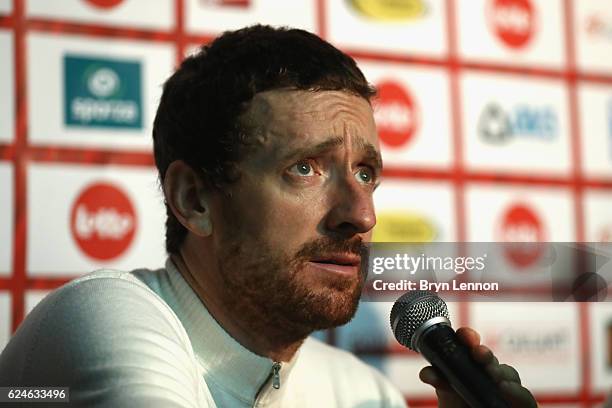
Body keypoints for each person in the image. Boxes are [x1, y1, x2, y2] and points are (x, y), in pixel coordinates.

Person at [0, 25, 536, 407]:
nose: (362, 215)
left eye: (366, 173)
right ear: (195, 200)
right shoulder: (100, 317)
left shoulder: (362, 393)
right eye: (305, 168)